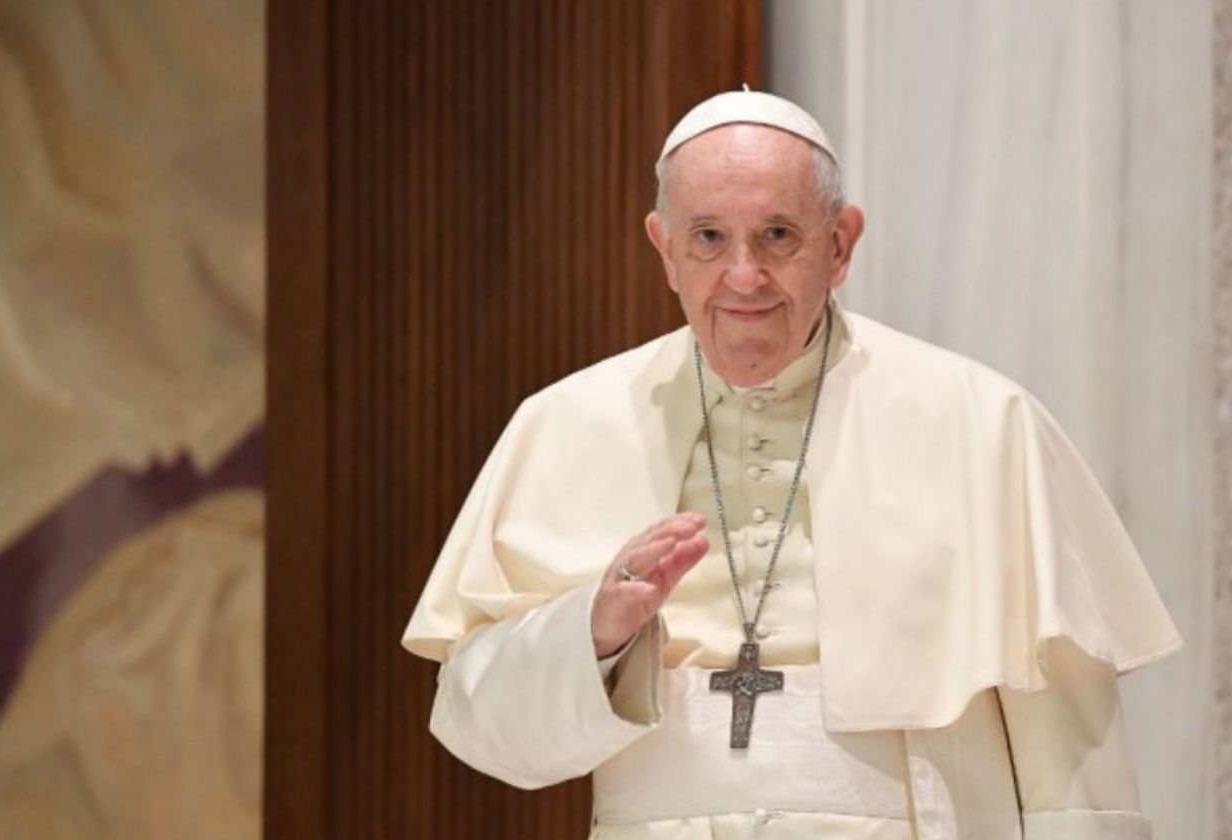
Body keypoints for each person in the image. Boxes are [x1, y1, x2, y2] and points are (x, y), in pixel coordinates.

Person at [402, 90, 1182, 839]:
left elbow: (1071, 749)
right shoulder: (566, 422)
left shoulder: (982, 423)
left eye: (779, 235)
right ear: (663, 248)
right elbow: (481, 730)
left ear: (840, 245)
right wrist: (594, 636)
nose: (744, 277)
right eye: (708, 238)